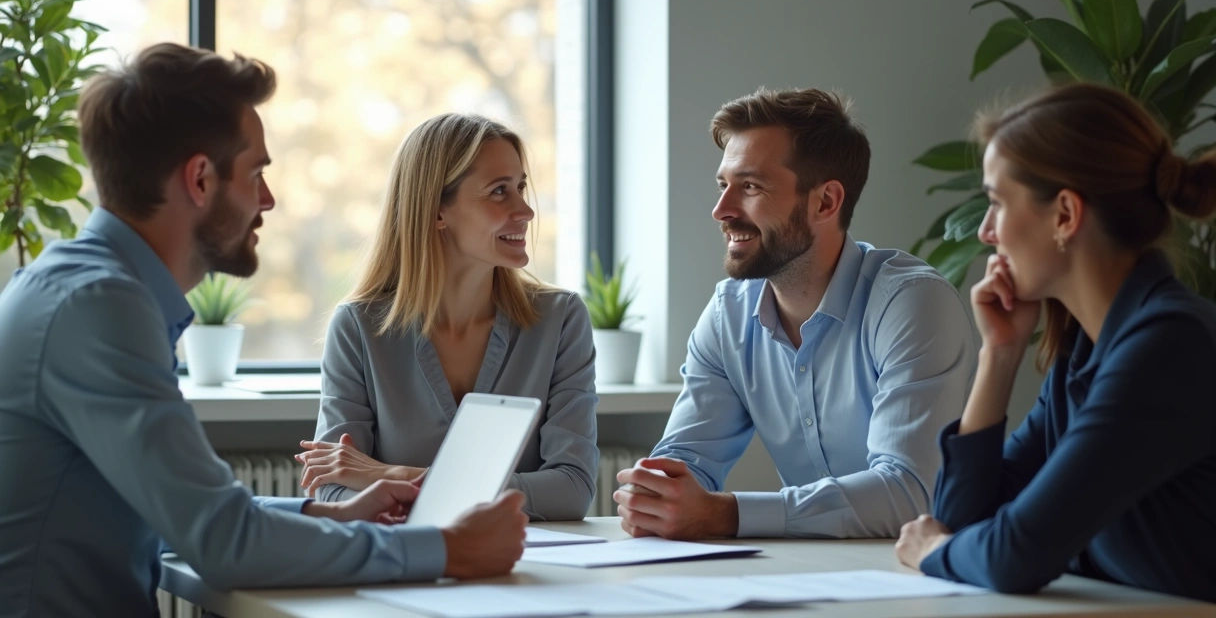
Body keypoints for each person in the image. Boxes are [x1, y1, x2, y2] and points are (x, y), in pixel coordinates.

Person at [0, 43, 528, 618]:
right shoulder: (100, 309)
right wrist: (448, 550)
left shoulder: (78, 289)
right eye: (256, 174)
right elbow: (224, 541)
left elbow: (185, 513)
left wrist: (329, 514)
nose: (269, 200)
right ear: (200, 180)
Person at [894, 83, 1216, 602]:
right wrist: (999, 355)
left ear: (1065, 215)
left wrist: (933, 550)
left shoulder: (1170, 345)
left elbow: (1013, 554)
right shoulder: (1085, 352)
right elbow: (964, 521)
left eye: (997, 202)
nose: (986, 232)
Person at [614, 87, 976, 540]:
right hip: (807, 566)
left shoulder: (912, 303)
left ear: (825, 202)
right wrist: (655, 495)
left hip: (930, 567)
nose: (721, 211)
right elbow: (684, 463)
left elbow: (909, 492)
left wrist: (727, 514)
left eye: (750, 186)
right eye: (724, 185)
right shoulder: (729, 316)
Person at [294, 113, 598, 521]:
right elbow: (332, 486)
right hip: (406, 555)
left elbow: (572, 489)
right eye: (499, 191)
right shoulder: (358, 328)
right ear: (437, 211)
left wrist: (394, 475)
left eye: (521, 187)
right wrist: (475, 489)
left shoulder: (560, 319)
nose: (525, 210)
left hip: (522, 556)